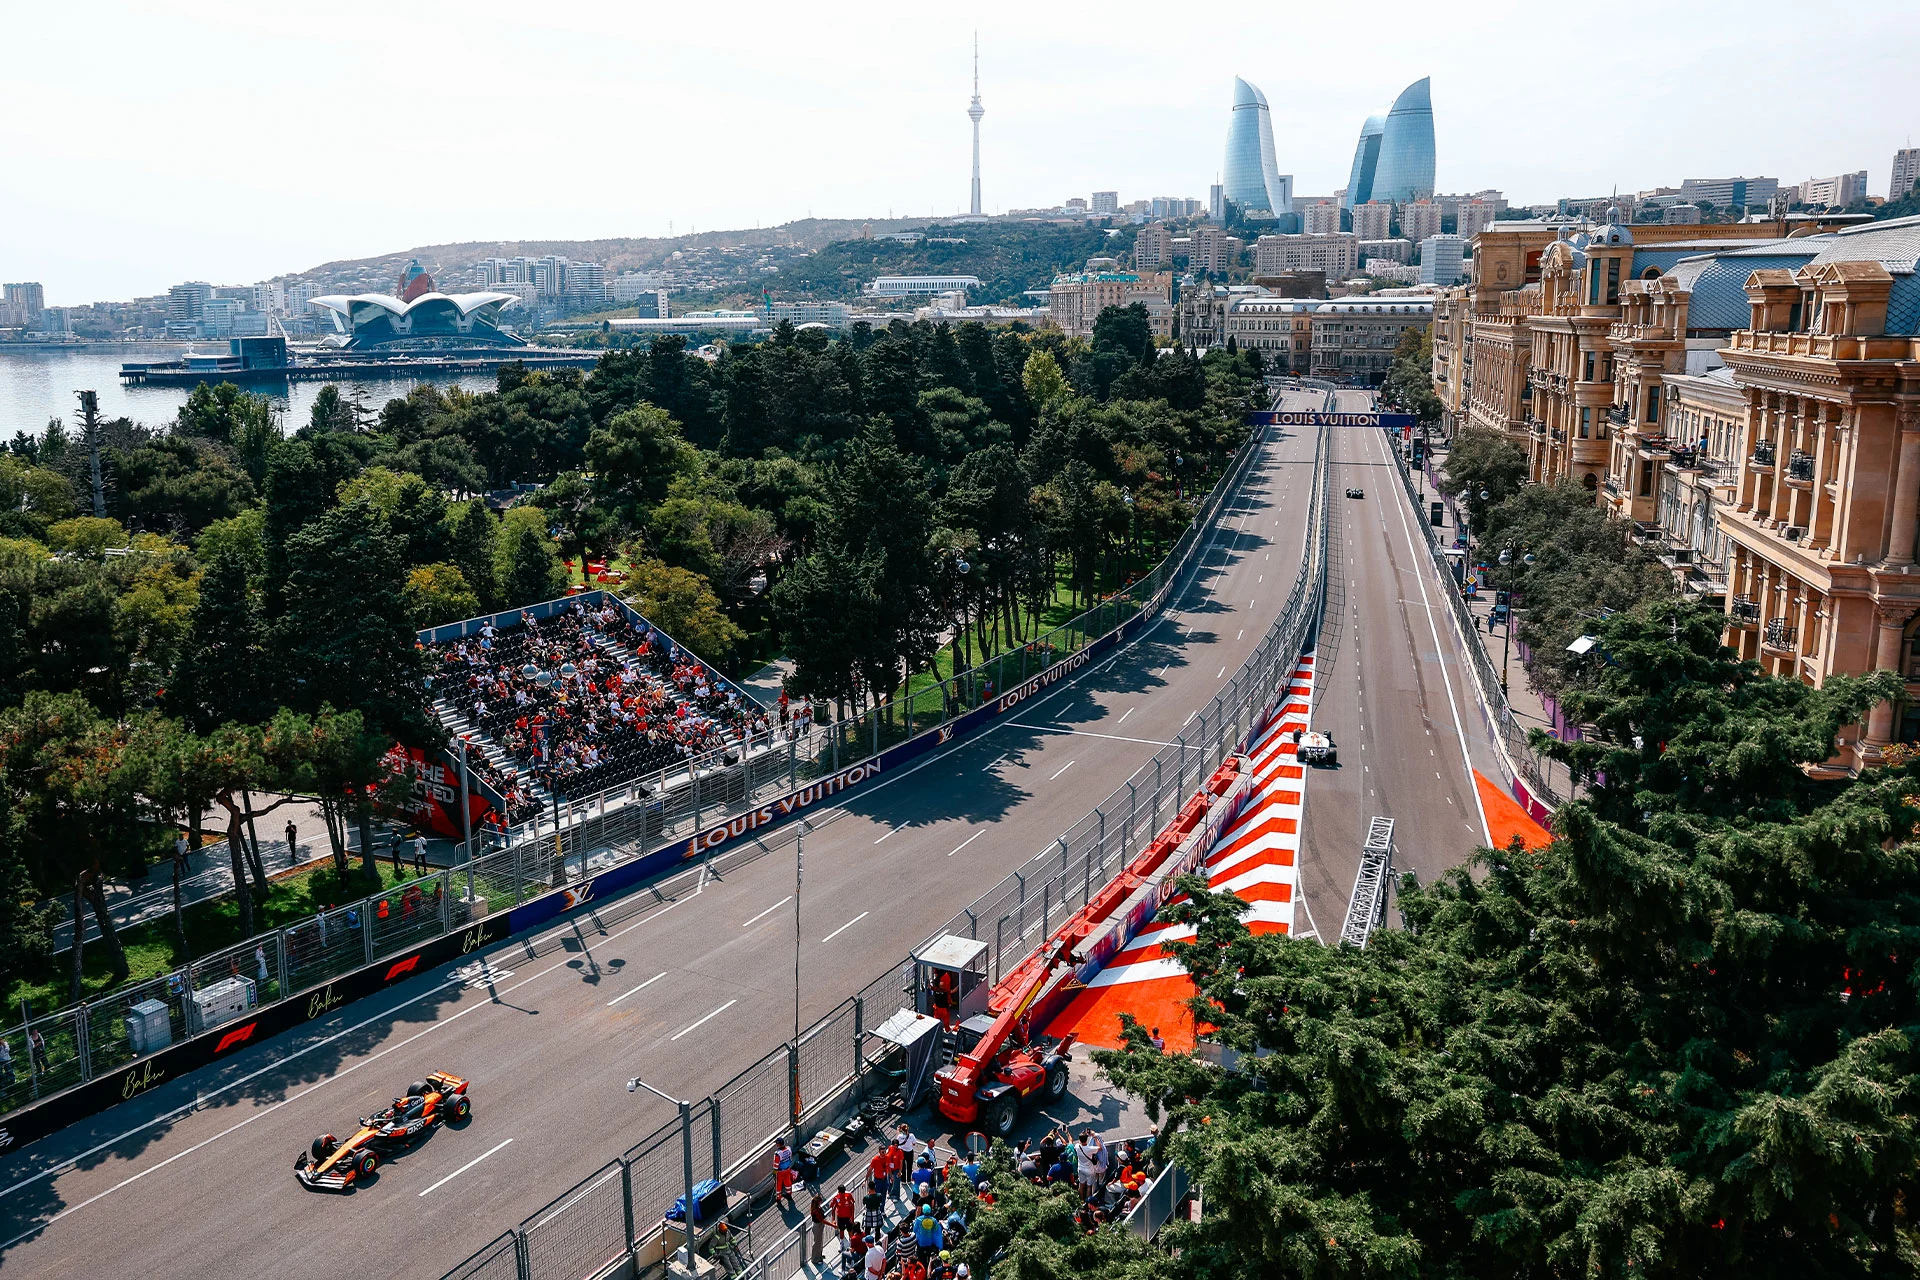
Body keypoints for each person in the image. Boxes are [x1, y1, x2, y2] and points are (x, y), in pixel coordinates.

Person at [773, 1137, 796, 1208]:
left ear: (778, 1144)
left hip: (780, 1172)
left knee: (778, 1185)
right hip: (787, 1169)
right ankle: (789, 1195)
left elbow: (776, 1165)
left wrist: (774, 1172)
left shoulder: (777, 1154)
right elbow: (790, 1158)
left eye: (777, 1143)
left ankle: (778, 1198)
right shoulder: (789, 1149)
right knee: (788, 1182)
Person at [807, 1191, 829, 1266]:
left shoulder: (816, 1207)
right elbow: (822, 1220)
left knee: (820, 1241)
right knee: (817, 1243)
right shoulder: (816, 1210)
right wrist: (833, 1225)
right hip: (817, 1226)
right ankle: (814, 1259)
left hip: (819, 1225)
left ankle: (819, 1256)